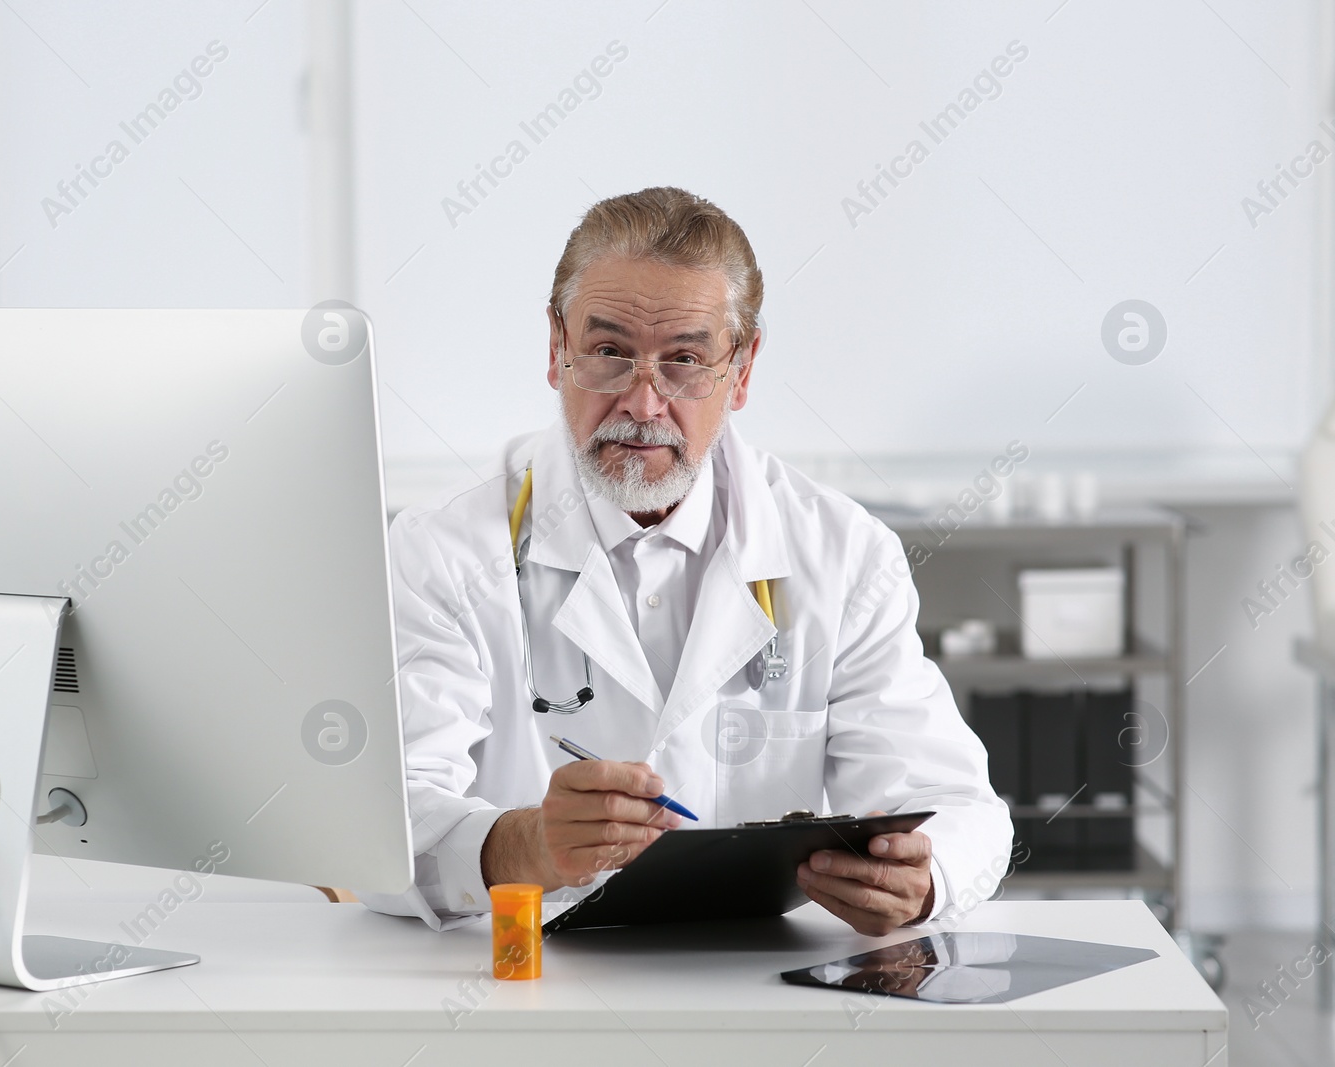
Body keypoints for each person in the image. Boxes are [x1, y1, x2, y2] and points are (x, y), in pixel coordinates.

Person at [361, 187, 1012, 935]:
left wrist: (923, 878)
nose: (643, 402)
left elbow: (959, 803)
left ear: (741, 369)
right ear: (556, 349)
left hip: (758, 1001)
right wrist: (528, 845)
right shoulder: (443, 550)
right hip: (522, 994)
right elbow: (383, 826)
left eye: (684, 361)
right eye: (610, 353)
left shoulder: (842, 554)